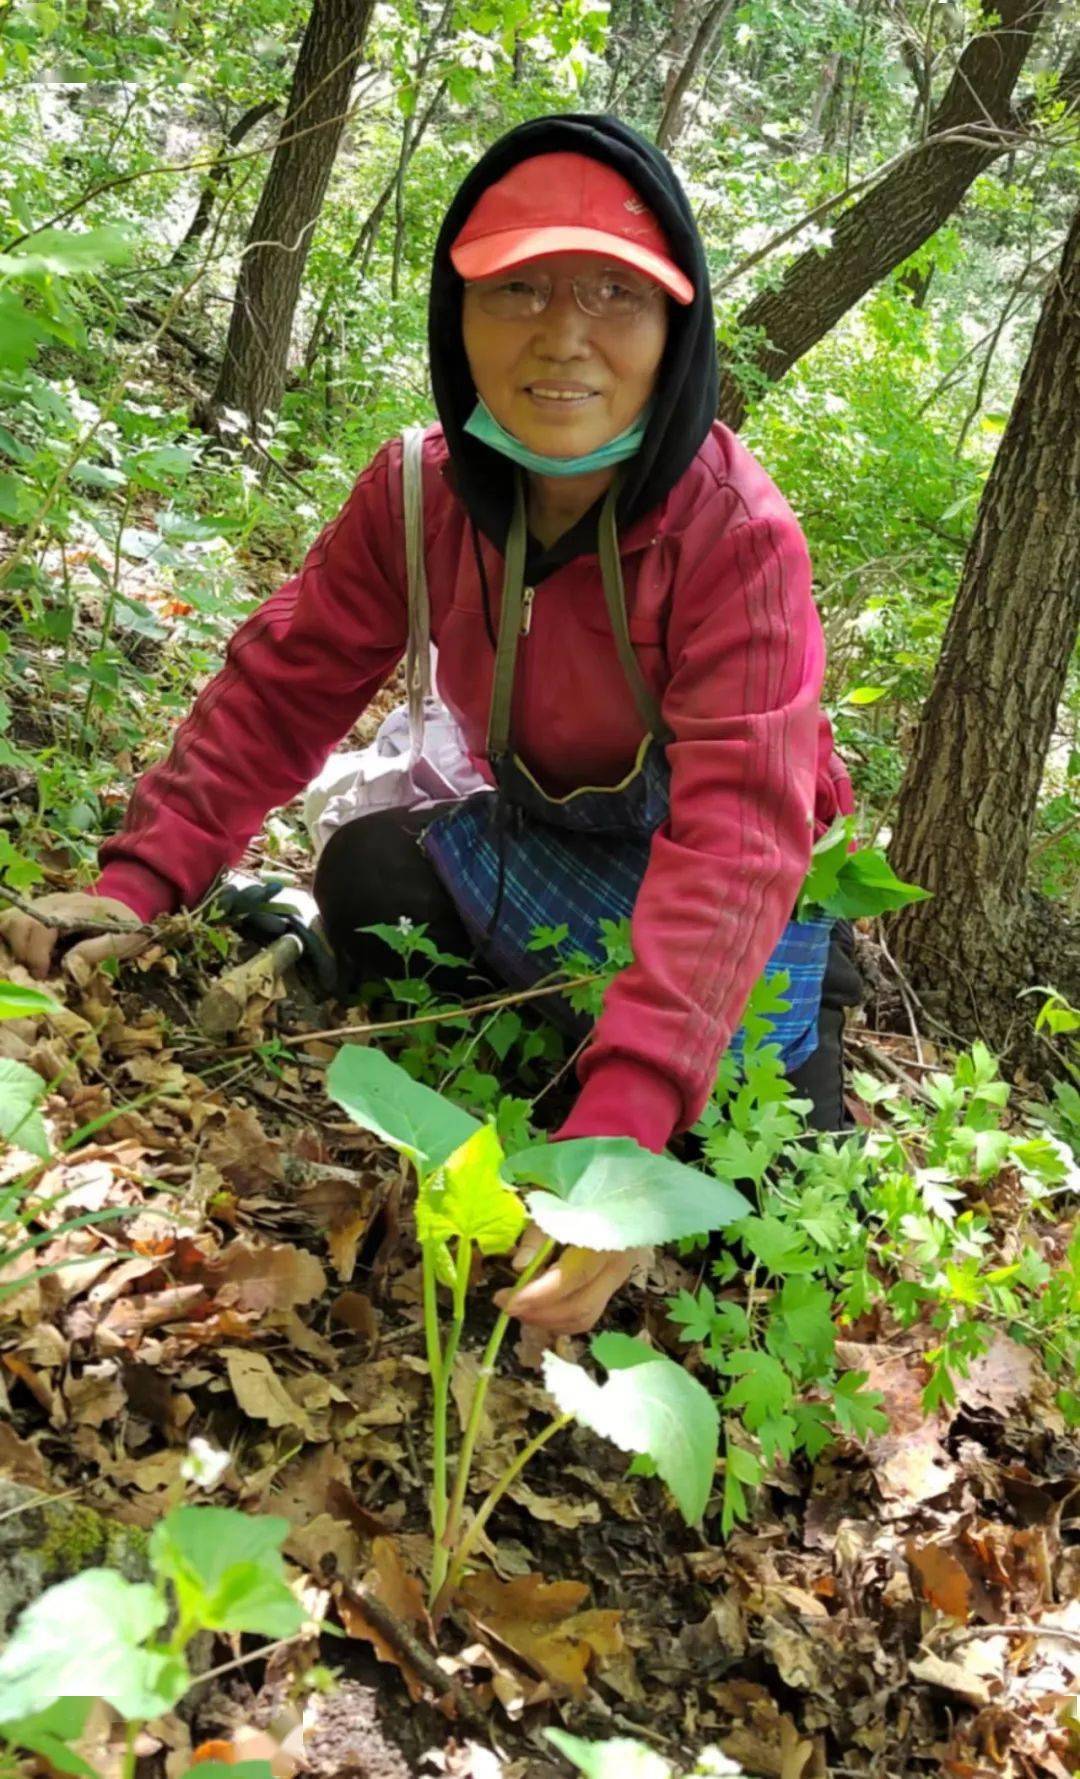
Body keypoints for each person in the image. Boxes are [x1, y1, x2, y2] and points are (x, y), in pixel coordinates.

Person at [3, 114, 862, 1334]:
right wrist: (137, 884)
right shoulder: (418, 494)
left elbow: (737, 837)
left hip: (733, 889)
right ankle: (573, 1044)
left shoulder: (734, 539)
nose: (563, 336)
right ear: (458, 320)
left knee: (760, 1220)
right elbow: (281, 685)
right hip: (555, 840)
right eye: (516, 289)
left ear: (679, 329)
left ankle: (743, 1027)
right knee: (368, 872)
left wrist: (624, 1125)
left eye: (615, 294)